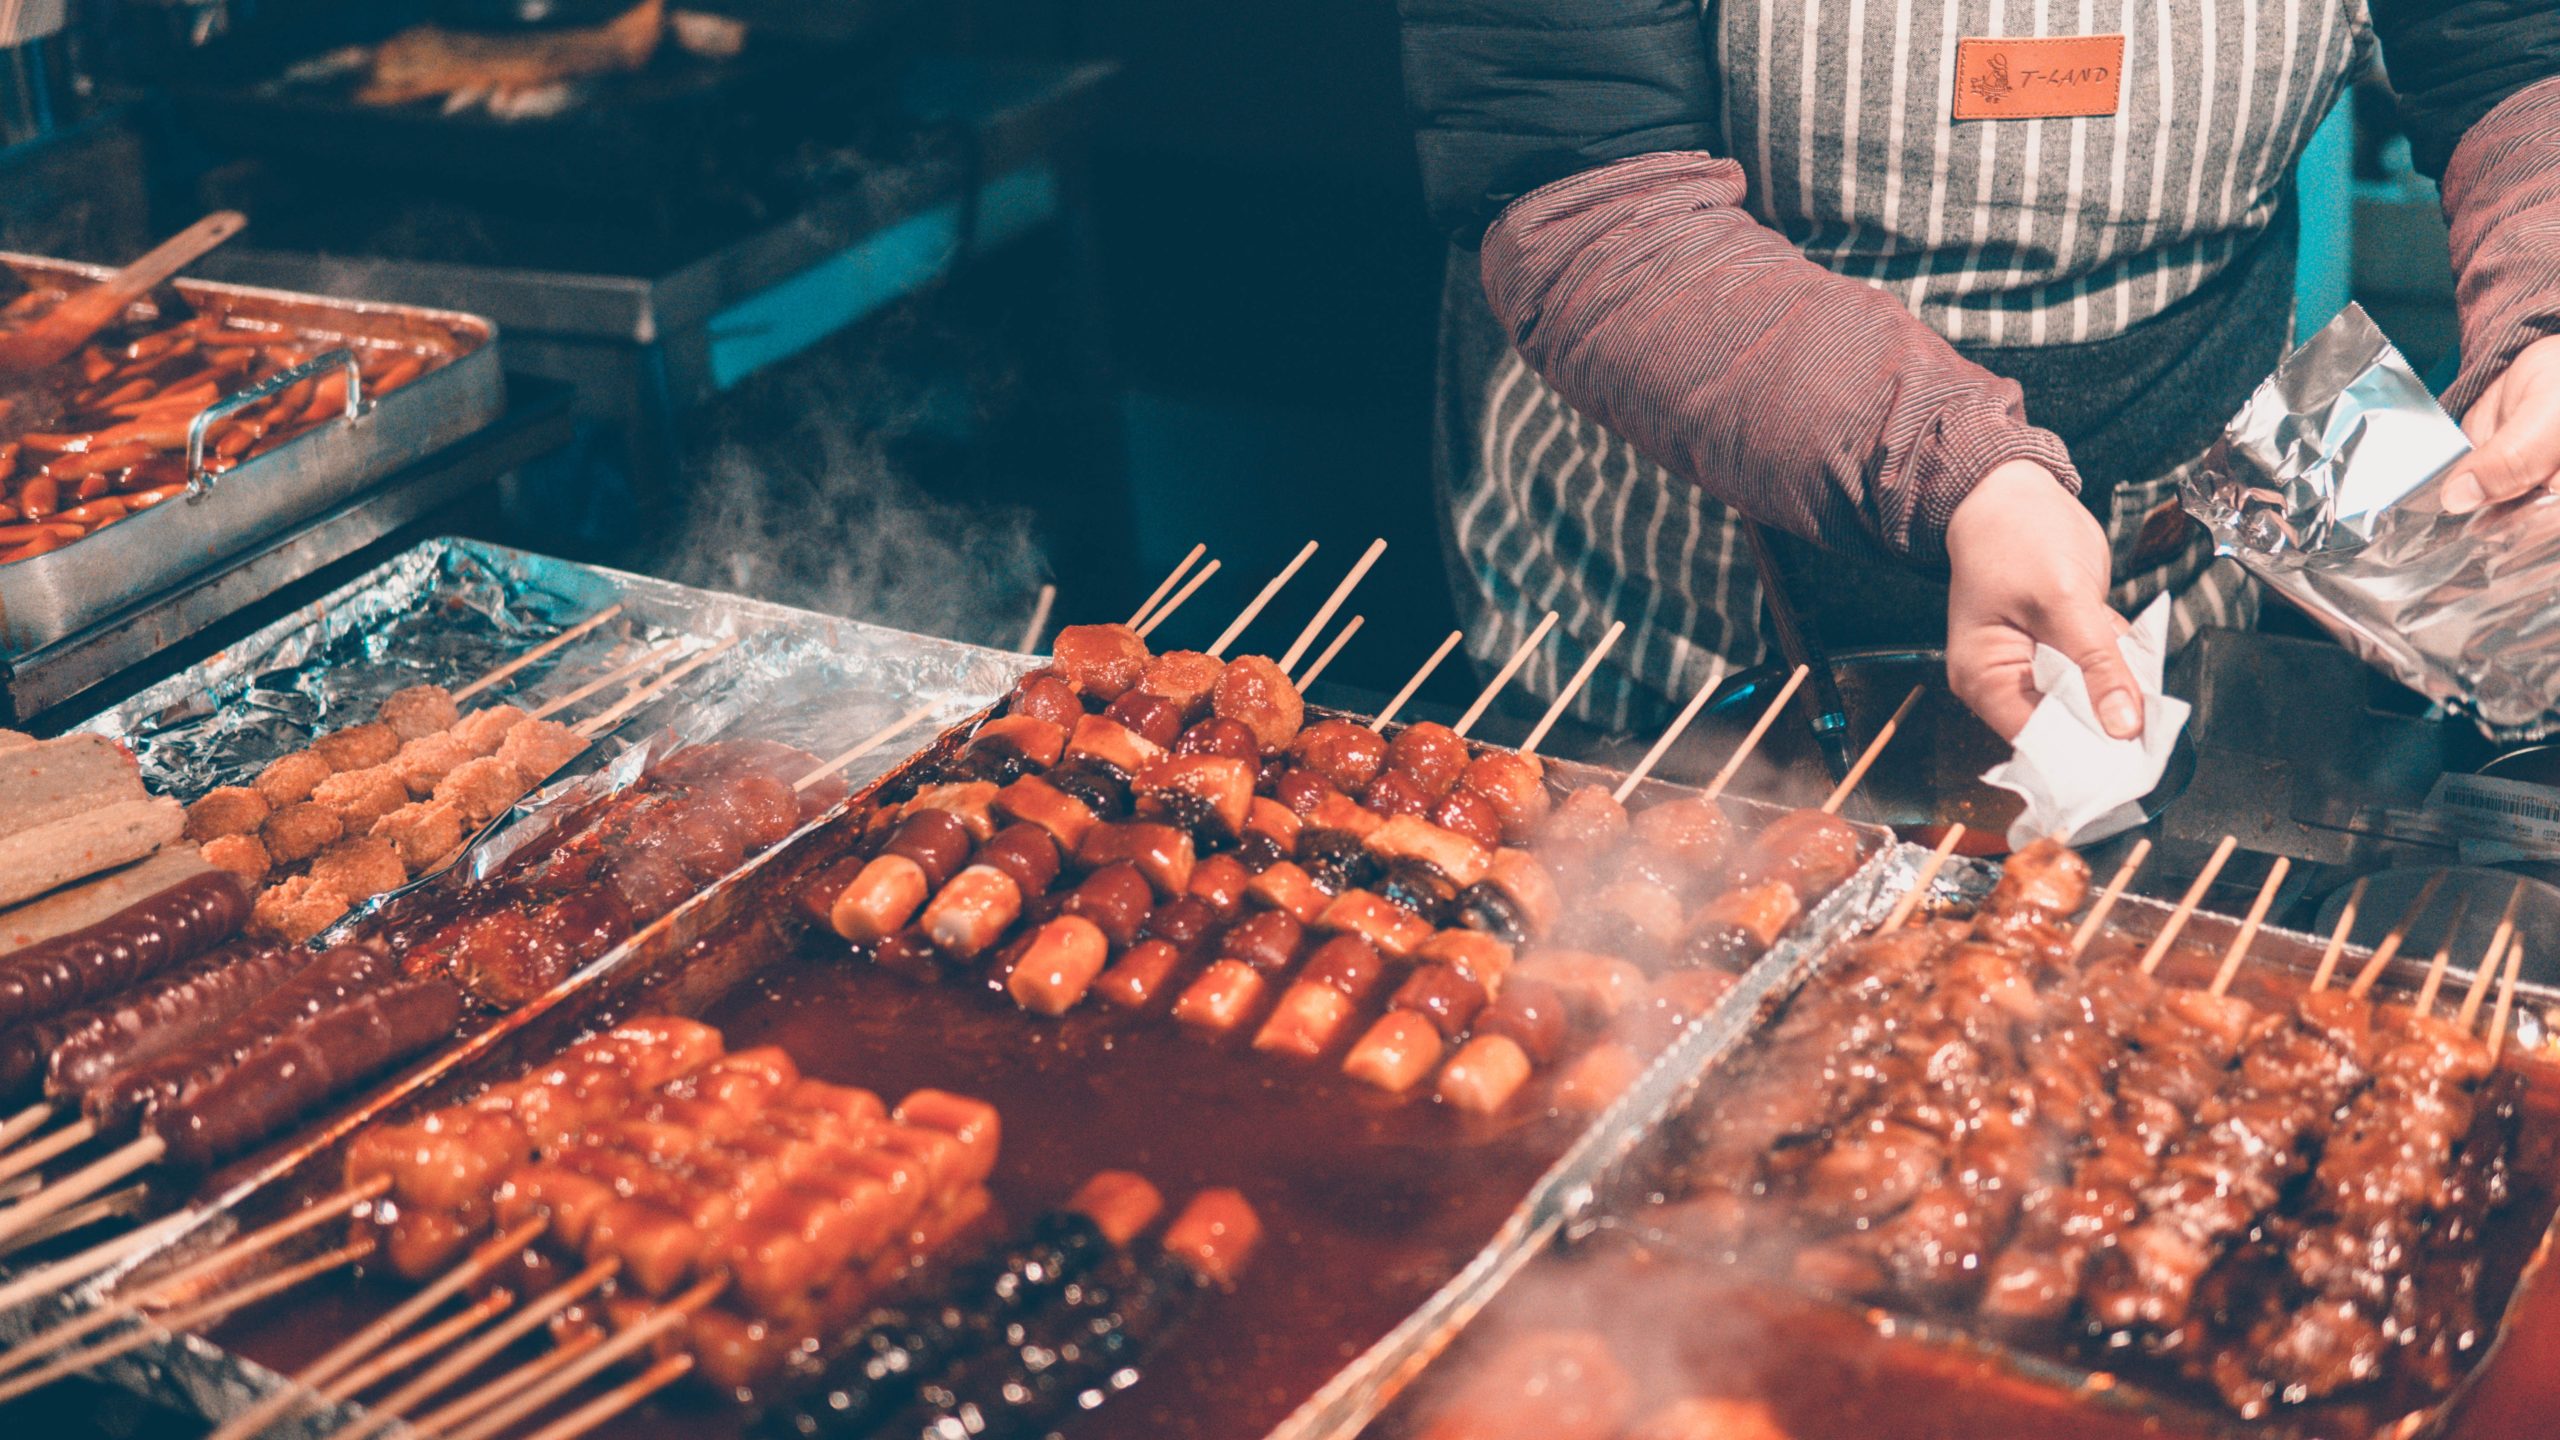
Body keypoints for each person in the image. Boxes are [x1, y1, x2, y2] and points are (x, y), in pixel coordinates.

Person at [1398, 0, 2560, 743]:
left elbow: (2511, 51)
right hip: (1680, 605)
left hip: (2171, 567)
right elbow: (1586, 192)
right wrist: (1960, 469)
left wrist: (2542, 311)